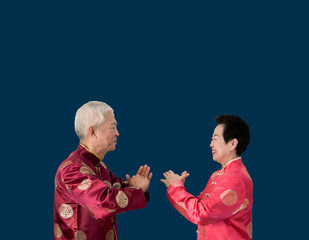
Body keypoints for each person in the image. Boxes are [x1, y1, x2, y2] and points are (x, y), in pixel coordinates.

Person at [54, 101, 152, 240]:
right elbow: (102, 201)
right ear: (92, 131)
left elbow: (117, 188)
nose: (117, 133)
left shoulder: (97, 165)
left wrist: (135, 187)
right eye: (113, 127)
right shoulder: (72, 169)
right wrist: (136, 189)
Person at [161, 115, 253, 240]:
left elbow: (202, 213)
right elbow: (197, 209)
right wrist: (176, 187)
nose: (210, 144)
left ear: (232, 143)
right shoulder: (218, 175)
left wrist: (176, 188)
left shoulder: (235, 178)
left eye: (215, 138)